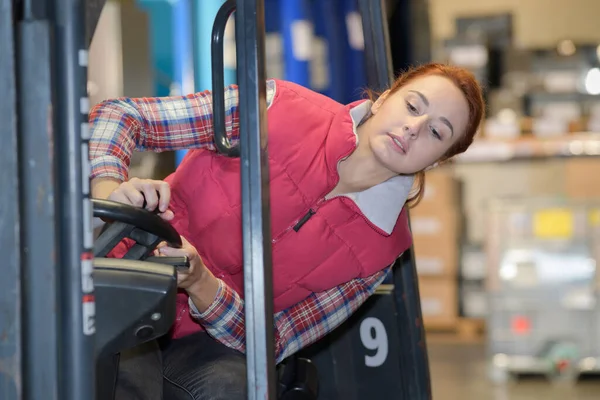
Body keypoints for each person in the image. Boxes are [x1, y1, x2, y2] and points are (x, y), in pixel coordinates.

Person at [90, 62, 485, 399]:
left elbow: (276, 339)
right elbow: (121, 116)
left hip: (205, 343)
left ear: (438, 161)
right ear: (384, 99)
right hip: (130, 282)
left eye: (437, 132)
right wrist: (111, 191)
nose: (414, 127)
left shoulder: (380, 252)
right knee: (125, 373)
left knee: (238, 387)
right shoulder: (277, 108)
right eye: (413, 105)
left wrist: (201, 284)